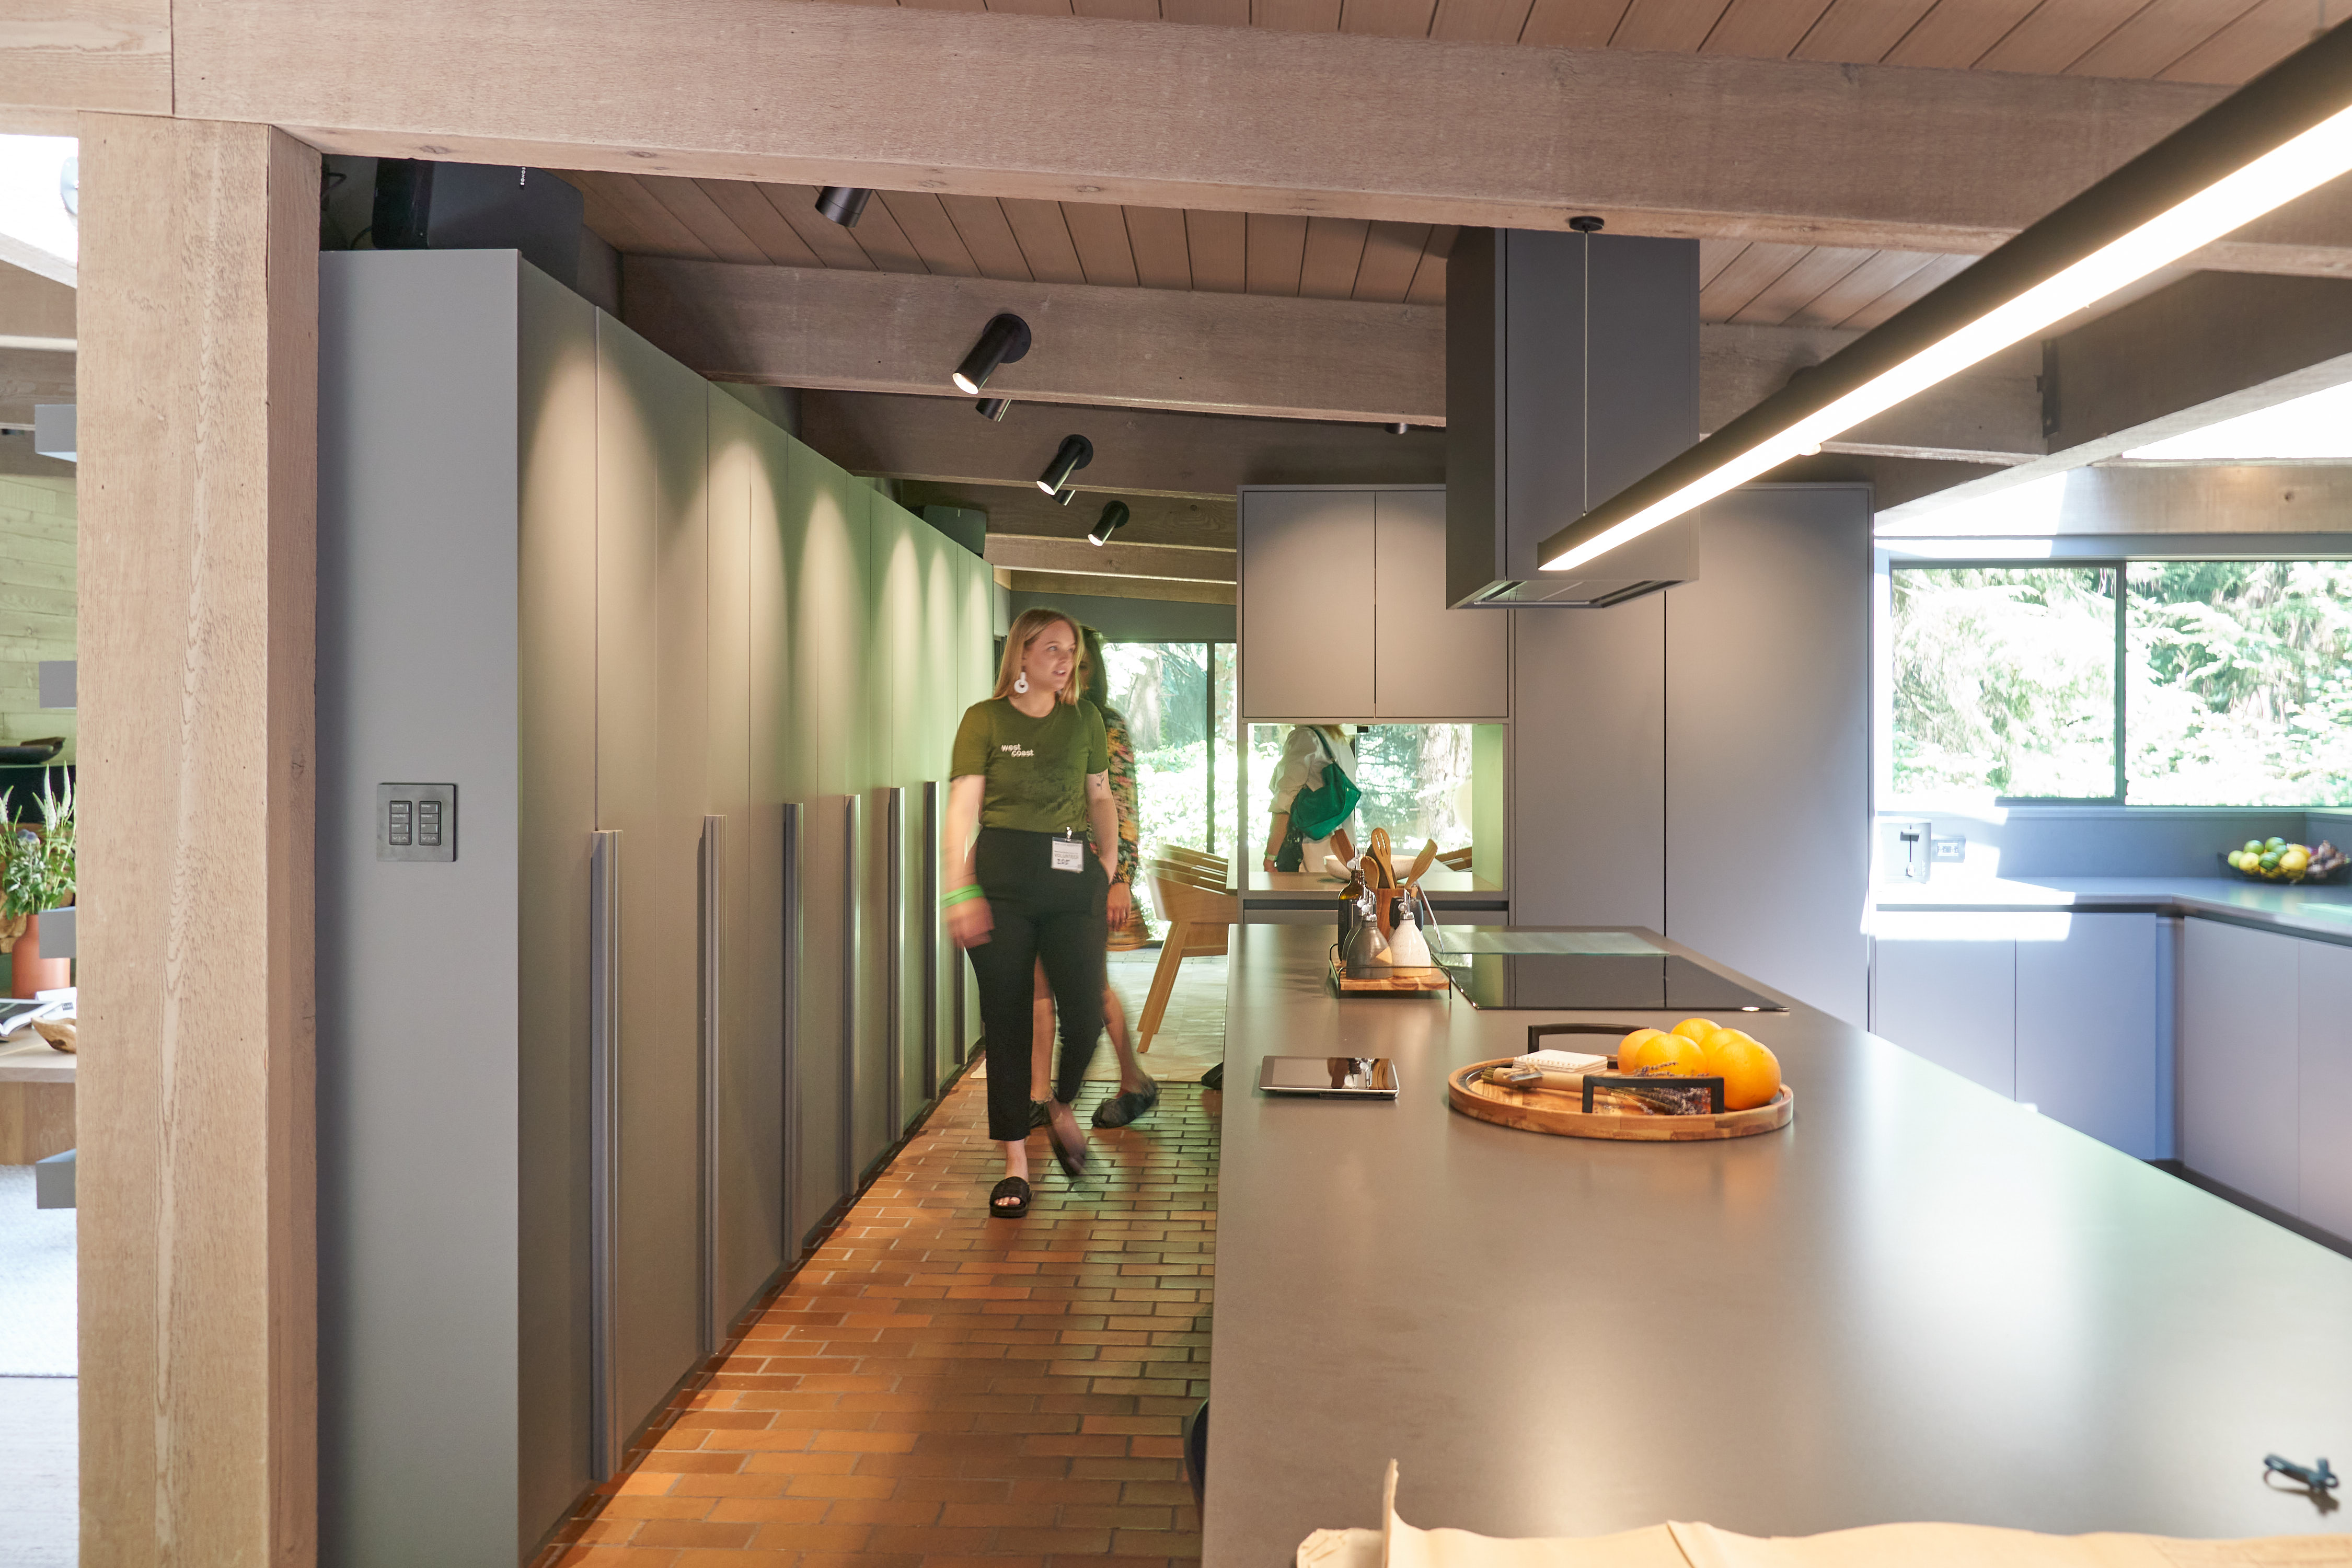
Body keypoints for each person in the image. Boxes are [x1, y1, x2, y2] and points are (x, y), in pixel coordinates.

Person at [944, 608, 1132, 1218]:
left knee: (1084, 1008)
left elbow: (1100, 795)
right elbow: (963, 808)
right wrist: (959, 888)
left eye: (1070, 650)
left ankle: (1059, 1104)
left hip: (1072, 869)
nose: (1064, 659)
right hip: (1001, 875)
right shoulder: (985, 719)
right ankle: (1017, 1165)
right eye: (1051, 648)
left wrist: (1106, 867)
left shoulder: (1085, 719)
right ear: (1021, 655)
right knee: (1007, 1022)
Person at [1029, 626, 1158, 1131]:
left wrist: (1121, 876)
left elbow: (1122, 802)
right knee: (1039, 980)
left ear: (1093, 672)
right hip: (1040, 867)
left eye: (1082, 666)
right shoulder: (1035, 719)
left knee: (1088, 982)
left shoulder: (1104, 723)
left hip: (1088, 868)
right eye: (1062, 662)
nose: (1069, 675)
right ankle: (1040, 1095)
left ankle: (1134, 1081)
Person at [1262, 723, 1362, 873]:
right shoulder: (1340, 741)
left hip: (1311, 860)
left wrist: (1270, 859)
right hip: (1345, 858)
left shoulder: (1304, 737)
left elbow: (1283, 807)